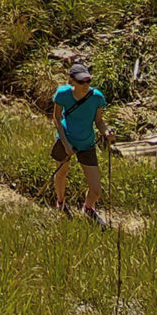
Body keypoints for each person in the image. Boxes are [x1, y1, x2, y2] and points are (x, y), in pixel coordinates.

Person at [51, 62, 111, 222]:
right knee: (61, 173)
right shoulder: (62, 94)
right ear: (71, 81)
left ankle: (88, 207)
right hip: (66, 138)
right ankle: (61, 202)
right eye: (81, 82)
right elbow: (56, 118)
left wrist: (106, 132)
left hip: (87, 143)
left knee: (96, 189)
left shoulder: (97, 97)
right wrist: (65, 144)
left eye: (88, 81)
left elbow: (99, 121)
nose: (85, 85)